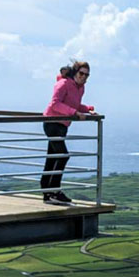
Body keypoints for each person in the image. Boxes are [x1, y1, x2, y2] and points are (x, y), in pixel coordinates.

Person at [40, 61, 96, 205]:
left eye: (86, 75)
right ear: (75, 72)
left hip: (63, 125)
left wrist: (88, 109)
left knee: (53, 157)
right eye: (81, 73)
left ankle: (48, 192)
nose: (84, 77)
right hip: (52, 123)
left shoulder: (80, 88)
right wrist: (74, 112)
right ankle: (54, 191)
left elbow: (74, 105)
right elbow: (55, 103)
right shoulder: (63, 83)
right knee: (62, 156)